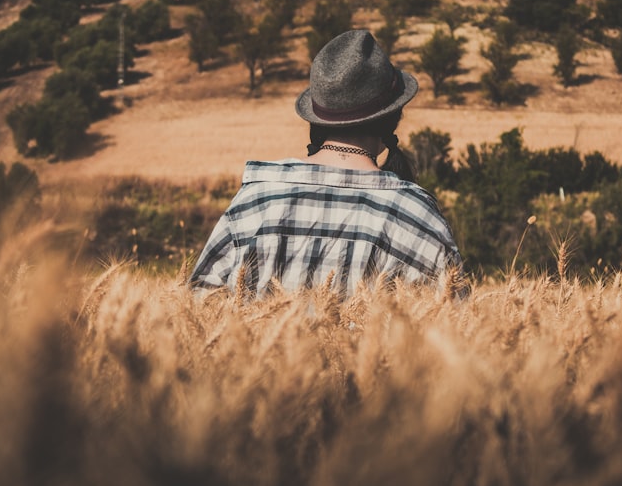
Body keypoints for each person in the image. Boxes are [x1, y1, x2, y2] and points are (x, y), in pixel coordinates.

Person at [190, 29, 463, 297]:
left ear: (316, 120)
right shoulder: (418, 219)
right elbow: (457, 327)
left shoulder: (253, 204)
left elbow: (201, 312)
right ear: (394, 118)